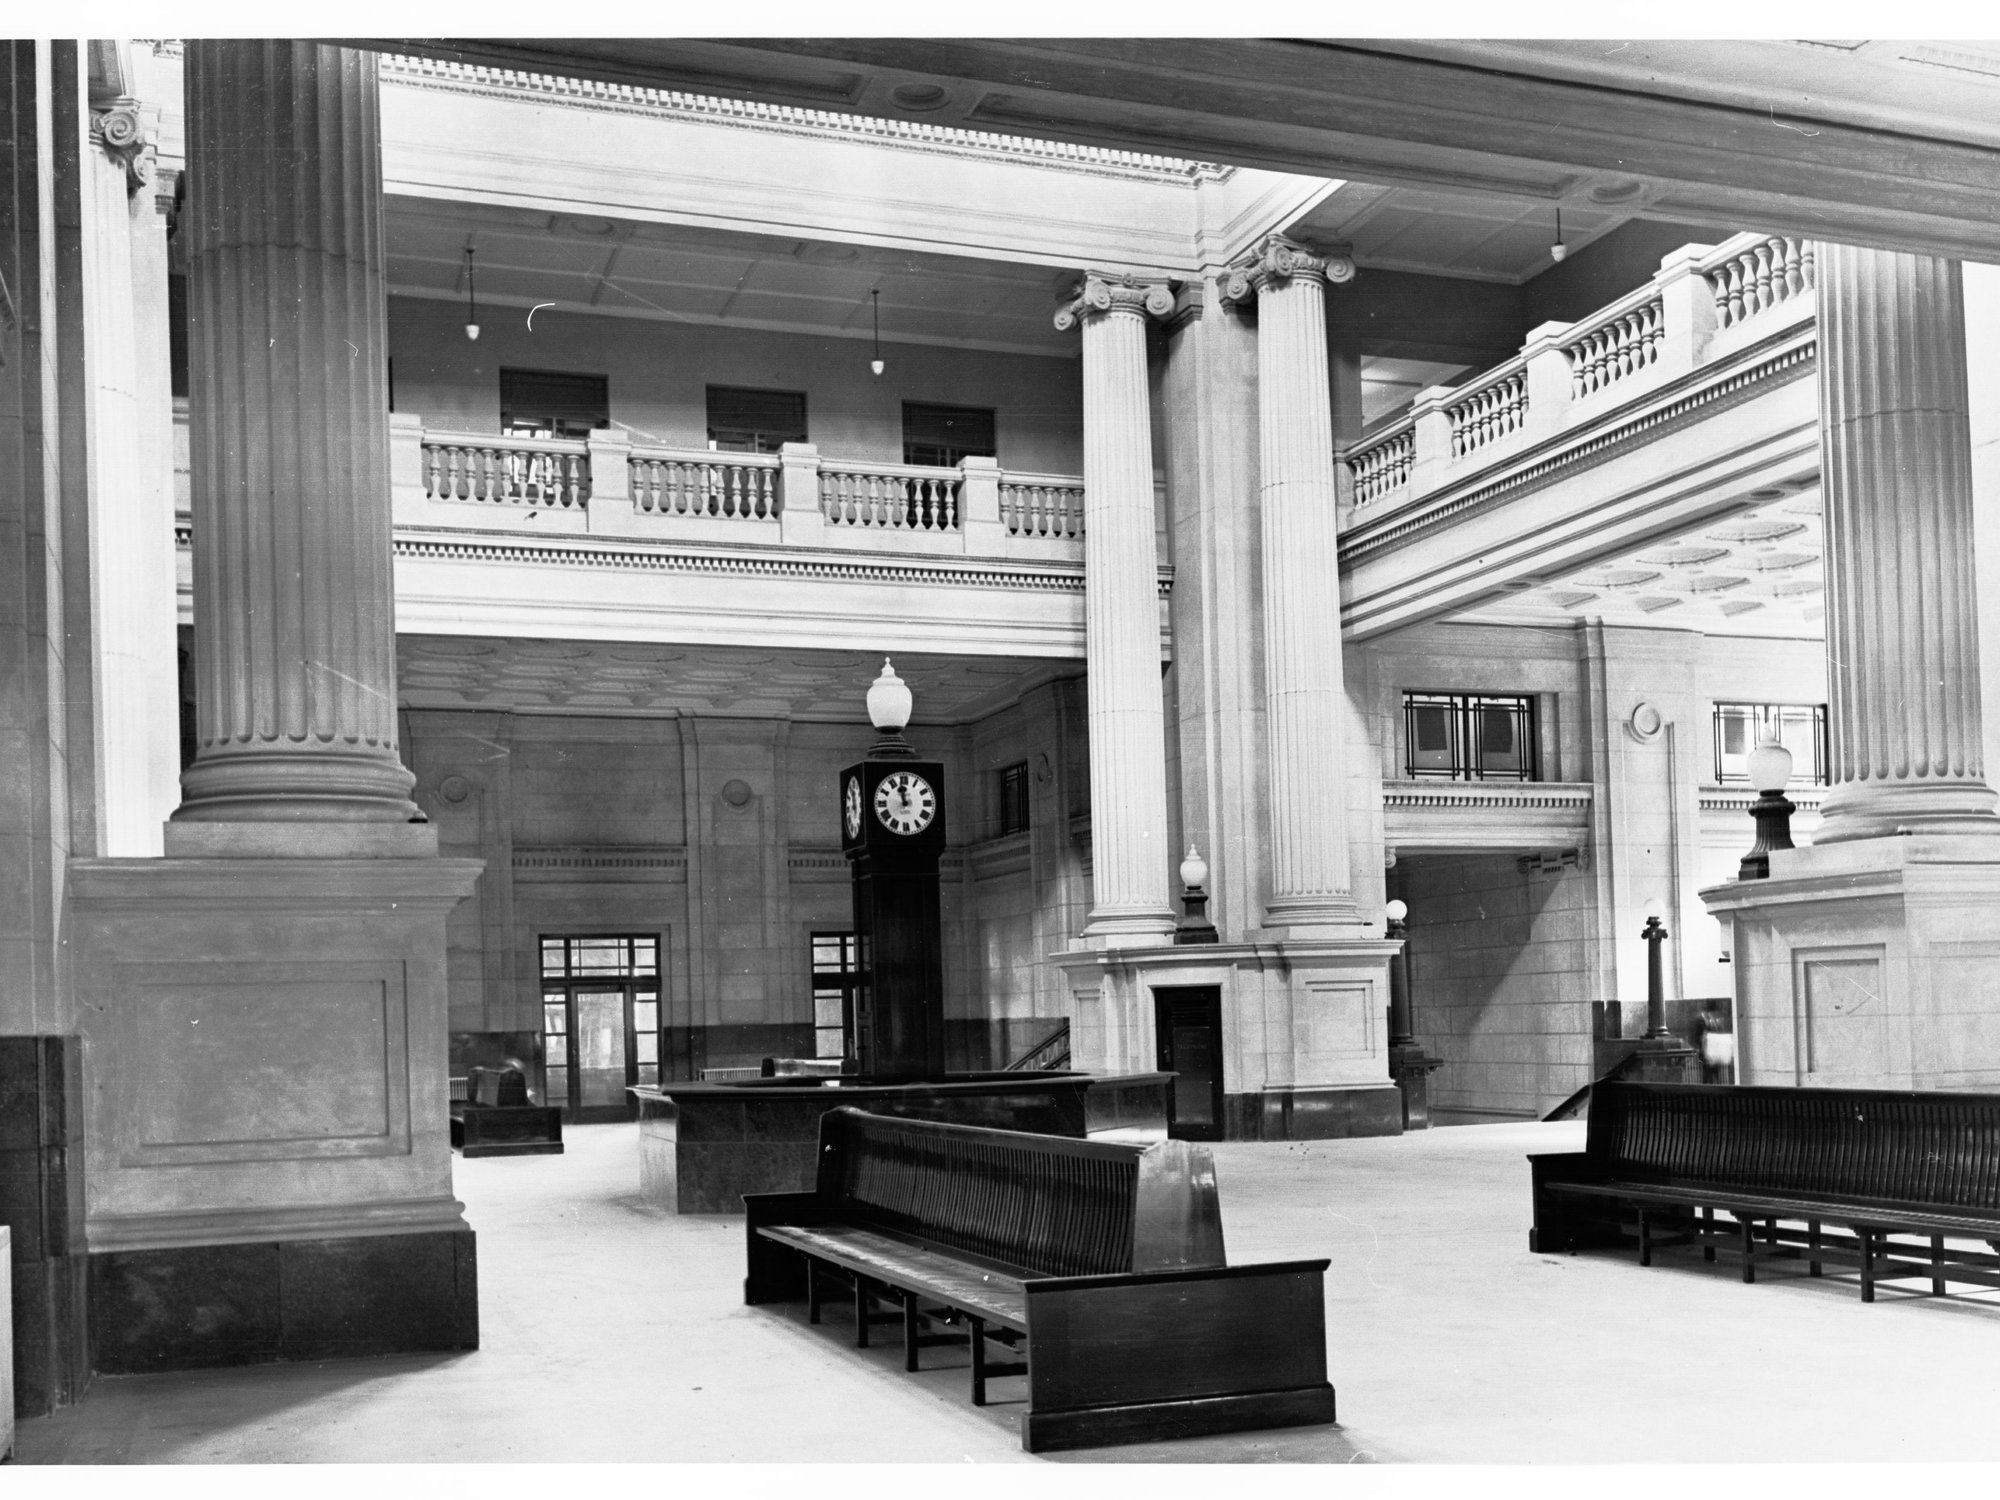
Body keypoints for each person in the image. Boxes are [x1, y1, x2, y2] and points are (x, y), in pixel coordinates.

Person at [1698, 1002, 1735, 1085]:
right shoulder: (1717, 1020)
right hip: (1715, 1054)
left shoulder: (1707, 1020)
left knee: (1709, 1076)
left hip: (1711, 1054)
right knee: (1715, 1076)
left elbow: (1704, 1038)